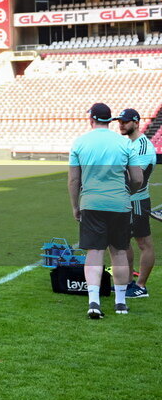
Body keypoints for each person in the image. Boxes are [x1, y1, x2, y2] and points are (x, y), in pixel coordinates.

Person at [68, 103, 142, 318]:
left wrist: (75, 205)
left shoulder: (80, 142)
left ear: (91, 119)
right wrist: (127, 193)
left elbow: (74, 179)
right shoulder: (124, 143)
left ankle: (94, 302)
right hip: (119, 203)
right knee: (119, 251)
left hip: (91, 203)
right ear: (109, 120)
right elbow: (137, 178)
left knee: (94, 252)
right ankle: (120, 303)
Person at [116, 108, 154, 298]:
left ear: (136, 123)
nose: (121, 124)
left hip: (137, 200)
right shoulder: (126, 143)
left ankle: (141, 286)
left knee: (143, 243)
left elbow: (136, 178)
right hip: (124, 200)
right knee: (123, 242)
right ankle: (129, 281)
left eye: (125, 121)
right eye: (120, 121)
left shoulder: (142, 146)